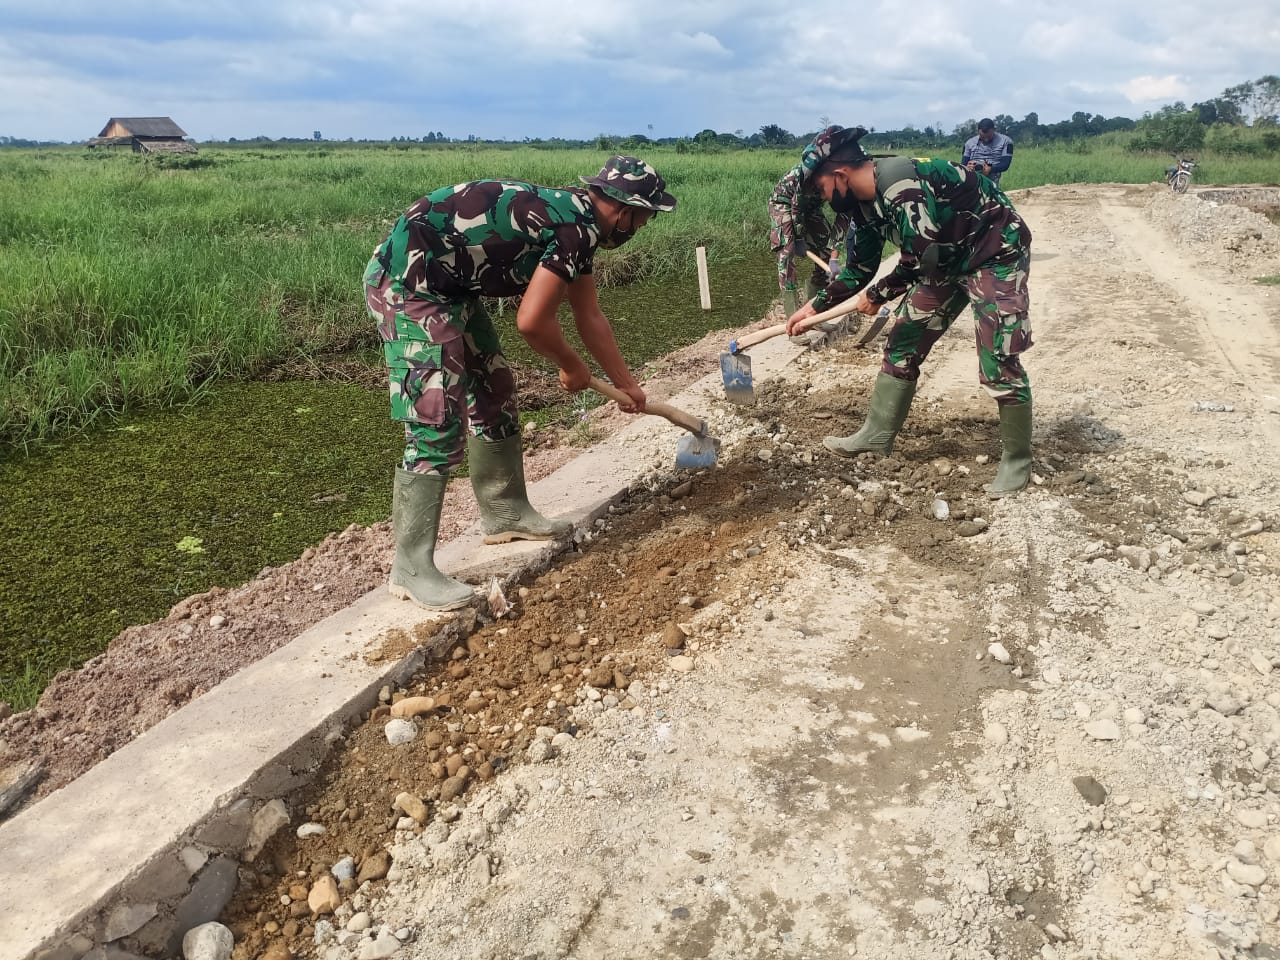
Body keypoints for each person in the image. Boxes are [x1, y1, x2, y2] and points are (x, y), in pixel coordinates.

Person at [364, 156, 676, 609]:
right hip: (407, 287)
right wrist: (572, 366)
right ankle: (411, 568)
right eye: (645, 217)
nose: (643, 227)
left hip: (452, 291)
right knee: (435, 420)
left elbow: (588, 314)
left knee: (493, 387)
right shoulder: (576, 229)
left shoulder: (579, 224)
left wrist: (627, 384)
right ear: (624, 209)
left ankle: (506, 512)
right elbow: (533, 322)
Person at [785, 125, 1034, 498]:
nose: (821, 197)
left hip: (994, 253)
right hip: (945, 261)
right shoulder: (862, 205)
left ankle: (1017, 460)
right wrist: (813, 307)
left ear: (839, 175)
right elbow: (860, 269)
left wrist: (879, 296)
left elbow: (919, 255)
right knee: (903, 339)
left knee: (998, 356)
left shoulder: (899, 185)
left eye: (820, 188)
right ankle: (876, 435)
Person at [768, 163, 852, 318]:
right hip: (785, 202)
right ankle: (793, 317)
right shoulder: (809, 174)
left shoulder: (850, 186)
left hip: (812, 207)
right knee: (787, 253)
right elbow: (796, 206)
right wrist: (798, 237)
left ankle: (813, 312)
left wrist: (834, 258)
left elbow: (843, 221)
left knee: (825, 249)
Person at [962, 118, 1014, 186]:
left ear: (994, 130)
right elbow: (963, 164)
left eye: (989, 137)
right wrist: (967, 167)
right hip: (972, 175)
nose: (986, 140)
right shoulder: (969, 143)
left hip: (993, 175)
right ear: (978, 131)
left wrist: (990, 169)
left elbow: (1005, 164)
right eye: (982, 137)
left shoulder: (1006, 141)